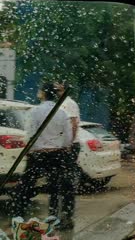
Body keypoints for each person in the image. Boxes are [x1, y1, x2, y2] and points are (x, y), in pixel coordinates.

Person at [12, 82, 75, 230]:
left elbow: (30, 134)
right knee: (57, 187)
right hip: (56, 154)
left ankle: (19, 216)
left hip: (38, 155)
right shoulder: (61, 113)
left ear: (43, 93)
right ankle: (58, 217)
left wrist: (31, 149)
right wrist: (63, 147)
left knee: (25, 186)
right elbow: (67, 137)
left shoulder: (35, 112)